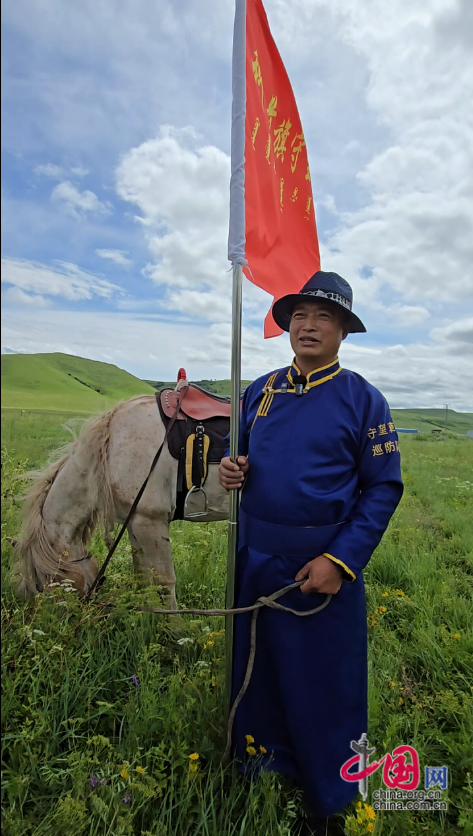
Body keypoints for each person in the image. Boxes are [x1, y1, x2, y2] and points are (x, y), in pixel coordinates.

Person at [219, 271, 403, 834]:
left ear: (344, 329)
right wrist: (231, 469)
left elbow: (383, 488)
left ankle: (331, 797)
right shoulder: (262, 389)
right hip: (255, 557)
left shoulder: (363, 400)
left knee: (323, 680)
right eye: (299, 315)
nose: (308, 324)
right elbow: (239, 455)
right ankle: (260, 763)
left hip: (319, 568)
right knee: (260, 672)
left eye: (323, 316)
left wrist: (339, 561)